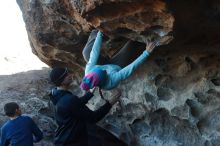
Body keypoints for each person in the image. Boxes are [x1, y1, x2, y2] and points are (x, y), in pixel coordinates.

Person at [49, 67, 120, 146]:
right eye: (66, 75)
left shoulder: (55, 94)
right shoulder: (68, 100)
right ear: (61, 81)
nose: (70, 75)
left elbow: (74, 106)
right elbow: (93, 117)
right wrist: (110, 103)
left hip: (63, 140)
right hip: (72, 142)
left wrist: (90, 93)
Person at [80, 30, 173, 91]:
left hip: (105, 63)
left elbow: (94, 53)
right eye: (104, 72)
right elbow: (130, 68)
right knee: (132, 44)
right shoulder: (110, 81)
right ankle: (154, 42)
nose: (104, 70)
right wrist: (146, 53)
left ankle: (95, 31)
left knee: (87, 52)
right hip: (116, 66)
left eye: (100, 70)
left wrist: (100, 33)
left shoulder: (88, 71)